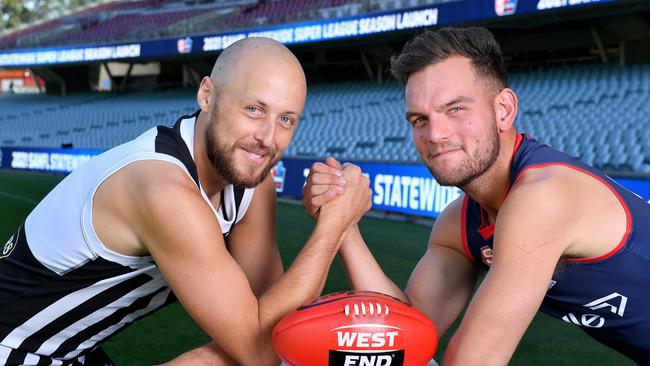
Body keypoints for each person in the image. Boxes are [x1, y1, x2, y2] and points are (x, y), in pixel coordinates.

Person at [0, 37, 372, 365]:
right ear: (207, 95)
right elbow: (261, 352)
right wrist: (336, 224)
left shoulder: (250, 179)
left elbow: (277, 310)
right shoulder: (162, 189)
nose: (267, 138)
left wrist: (336, 209)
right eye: (254, 110)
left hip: (73, 351)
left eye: (286, 119)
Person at [303, 27, 650, 365]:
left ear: (504, 110)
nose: (435, 134)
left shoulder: (544, 196)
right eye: (420, 119)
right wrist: (342, 223)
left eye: (455, 109)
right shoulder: (459, 223)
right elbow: (404, 334)